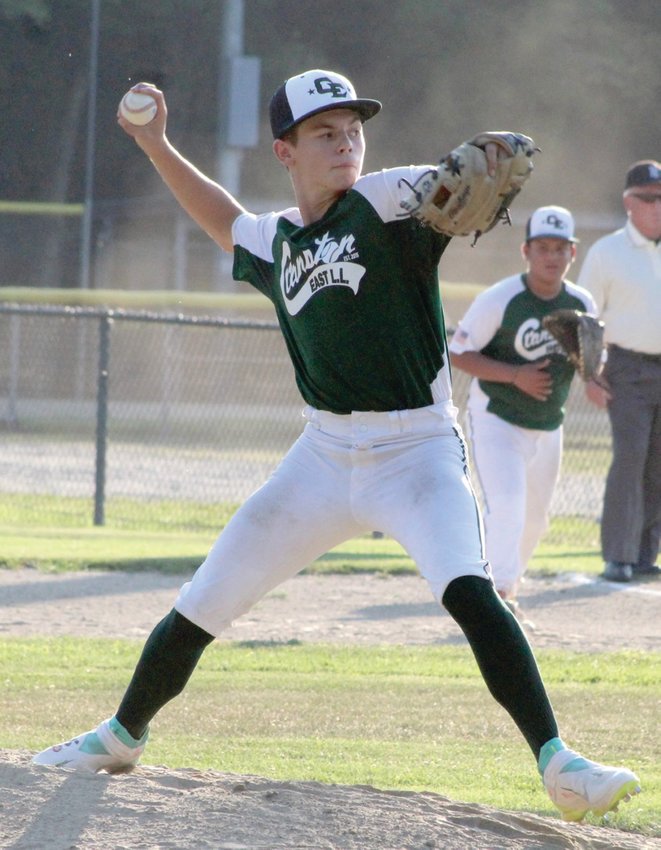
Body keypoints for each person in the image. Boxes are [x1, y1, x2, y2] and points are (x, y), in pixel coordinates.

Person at [32, 69, 640, 822]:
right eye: (324, 131)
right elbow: (223, 217)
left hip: (417, 451)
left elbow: (438, 187)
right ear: (285, 152)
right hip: (320, 457)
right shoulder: (276, 240)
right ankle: (120, 734)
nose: (345, 139)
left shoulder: (388, 199)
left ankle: (559, 763)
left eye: (352, 127)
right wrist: (156, 143)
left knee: (471, 591)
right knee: (203, 601)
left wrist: (456, 185)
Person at [448, 206, 598, 619]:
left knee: (535, 520)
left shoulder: (581, 303)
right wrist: (515, 375)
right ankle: (500, 595)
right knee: (508, 505)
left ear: (572, 253)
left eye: (560, 248)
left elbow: (590, 363)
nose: (551, 256)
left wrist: (597, 381)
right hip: (498, 416)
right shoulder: (501, 298)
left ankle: (510, 582)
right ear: (526, 251)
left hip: (549, 424)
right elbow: (459, 352)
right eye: (543, 247)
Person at [576, 160, 661, 584]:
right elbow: (588, 318)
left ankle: (646, 555)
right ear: (629, 203)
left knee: (658, 464)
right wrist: (590, 373)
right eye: (648, 198)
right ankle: (618, 555)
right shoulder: (608, 252)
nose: (657, 206)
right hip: (626, 367)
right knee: (630, 457)